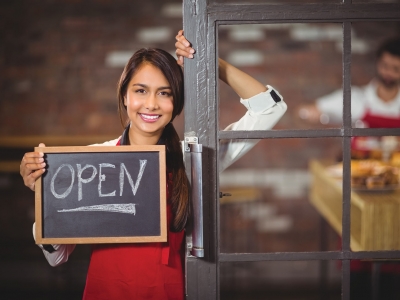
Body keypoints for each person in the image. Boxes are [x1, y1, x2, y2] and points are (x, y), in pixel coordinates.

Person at [19, 30, 287, 300]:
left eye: (164, 93)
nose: (151, 104)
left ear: (176, 103)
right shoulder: (93, 160)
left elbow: (270, 109)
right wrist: (46, 196)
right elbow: (57, 256)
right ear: (125, 96)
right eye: (140, 91)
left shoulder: (193, 159)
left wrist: (210, 63)